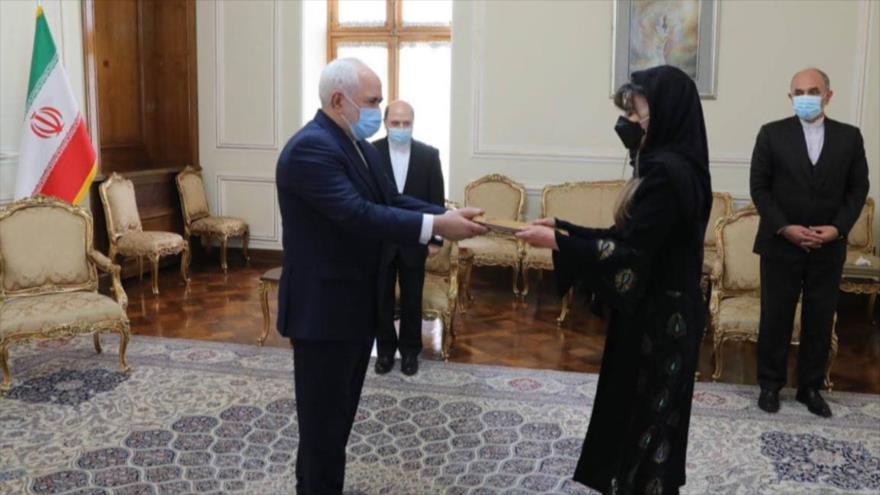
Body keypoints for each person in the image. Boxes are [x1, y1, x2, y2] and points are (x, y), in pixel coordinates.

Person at [275, 58, 486, 494]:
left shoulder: (355, 146)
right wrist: (436, 228)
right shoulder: (310, 149)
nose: (379, 111)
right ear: (339, 100)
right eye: (372, 102)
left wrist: (443, 214)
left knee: (335, 428)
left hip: (351, 311)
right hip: (323, 316)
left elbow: (392, 198)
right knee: (323, 432)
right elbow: (358, 215)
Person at [517, 65, 711, 495]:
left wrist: (559, 242)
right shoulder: (680, 165)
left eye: (638, 112)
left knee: (645, 418)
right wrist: (566, 230)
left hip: (658, 323)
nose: (629, 122)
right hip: (667, 312)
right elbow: (631, 237)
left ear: (665, 112)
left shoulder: (664, 173)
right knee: (651, 421)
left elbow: (629, 255)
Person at [750, 68, 869, 418]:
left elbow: (857, 189)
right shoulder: (771, 134)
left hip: (827, 247)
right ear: (790, 97)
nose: (805, 97)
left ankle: (810, 387)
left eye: (813, 90)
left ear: (828, 95)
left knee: (819, 319)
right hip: (780, 244)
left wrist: (838, 228)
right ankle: (770, 386)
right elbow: (760, 188)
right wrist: (785, 227)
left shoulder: (850, 137)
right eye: (798, 92)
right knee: (776, 317)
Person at [373, 100, 445, 376]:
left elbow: (436, 202)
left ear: (413, 124)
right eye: (395, 123)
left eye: (406, 123)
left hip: (415, 240)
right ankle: (386, 353)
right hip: (380, 241)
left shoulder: (429, 155)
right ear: (386, 123)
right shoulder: (370, 153)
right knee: (381, 299)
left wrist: (436, 239)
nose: (401, 128)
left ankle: (410, 353)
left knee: (413, 300)